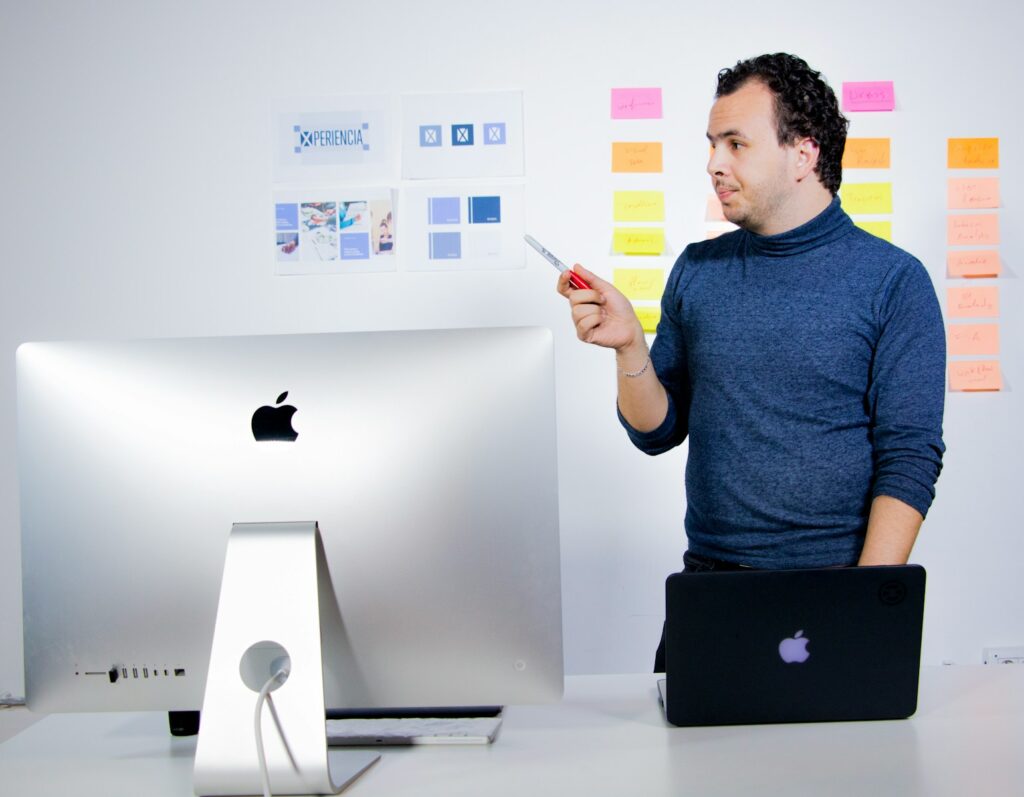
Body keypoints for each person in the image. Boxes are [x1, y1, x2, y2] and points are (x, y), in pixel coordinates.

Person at [557, 53, 945, 671]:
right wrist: (630, 345)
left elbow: (909, 457)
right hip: (710, 587)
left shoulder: (893, 282)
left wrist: (866, 603)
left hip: (838, 584)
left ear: (803, 154)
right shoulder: (698, 269)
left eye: (736, 143)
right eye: (712, 144)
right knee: (685, 766)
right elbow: (656, 431)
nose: (714, 163)